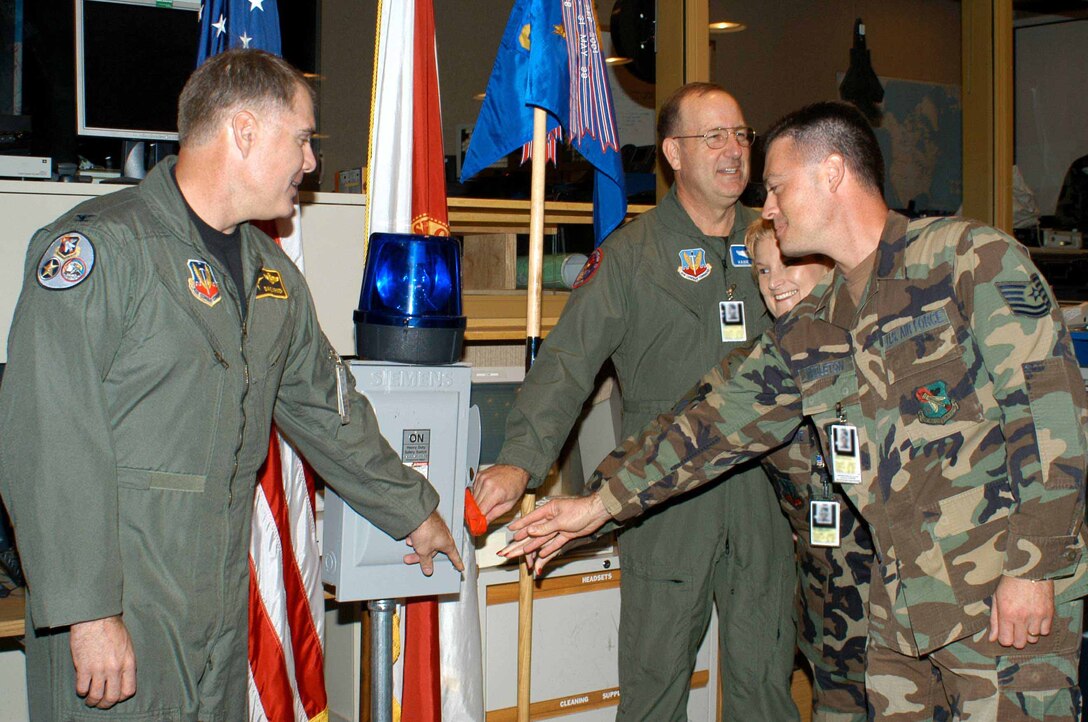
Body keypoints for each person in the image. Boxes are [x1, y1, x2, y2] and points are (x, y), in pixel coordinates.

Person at [505, 101, 1088, 721]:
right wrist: (596, 506)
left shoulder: (968, 260)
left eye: (779, 188)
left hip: (1005, 606)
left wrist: (1034, 569)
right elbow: (708, 426)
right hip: (900, 615)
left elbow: (1054, 418)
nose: (770, 208)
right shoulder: (812, 329)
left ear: (832, 173)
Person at [0, 49, 463, 719]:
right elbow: (48, 436)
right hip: (122, 599)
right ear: (243, 131)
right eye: (302, 138)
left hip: (217, 604)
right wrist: (89, 612)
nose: (309, 163)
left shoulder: (270, 276)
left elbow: (328, 410)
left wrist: (412, 511)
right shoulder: (104, 250)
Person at [473, 83, 798, 721]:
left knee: (765, 689)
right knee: (654, 691)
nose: (734, 151)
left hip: (766, 492)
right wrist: (519, 461)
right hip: (665, 498)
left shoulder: (781, 244)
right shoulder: (631, 257)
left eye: (740, 135)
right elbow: (568, 364)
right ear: (674, 152)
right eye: (715, 138)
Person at [744, 219, 872, 721]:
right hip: (827, 610)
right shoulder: (764, 370)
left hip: (898, 611)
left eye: (790, 264)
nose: (775, 282)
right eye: (762, 270)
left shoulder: (871, 344)